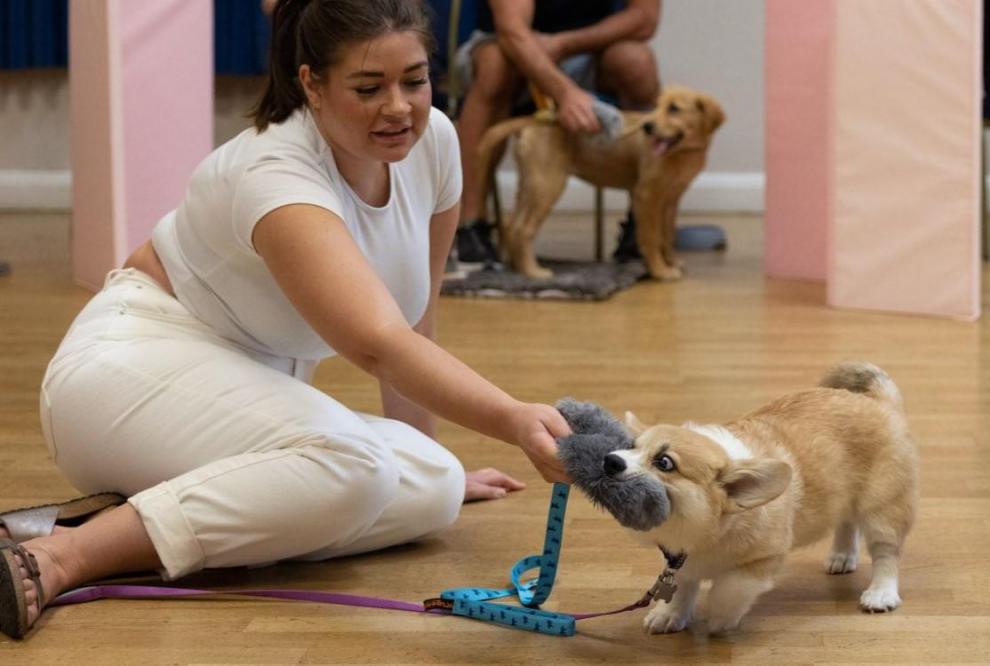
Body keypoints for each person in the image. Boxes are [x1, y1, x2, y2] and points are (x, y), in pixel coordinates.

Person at [0, 0, 571, 640]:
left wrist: (431, 455)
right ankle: (61, 554)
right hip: (121, 376)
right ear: (311, 84)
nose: (399, 106)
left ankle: (153, 512)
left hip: (238, 398)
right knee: (359, 469)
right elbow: (379, 345)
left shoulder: (434, 140)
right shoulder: (274, 171)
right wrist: (513, 418)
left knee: (432, 485)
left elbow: (414, 325)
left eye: (414, 79)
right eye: (368, 87)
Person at [451, 0, 662, 267]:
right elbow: (512, 31)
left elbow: (644, 19)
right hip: (508, 47)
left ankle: (644, 228)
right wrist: (564, 93)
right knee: (496, 66)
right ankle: (469, 225)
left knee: (637, 62)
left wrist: (563, 44)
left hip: (585, 48)